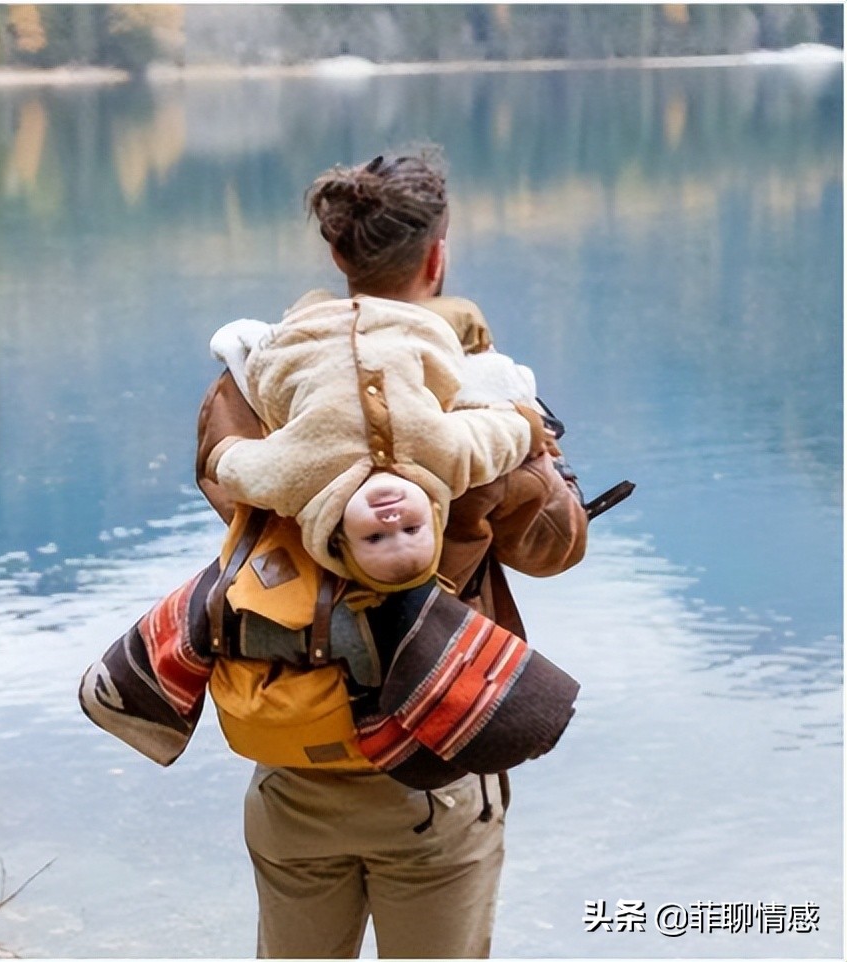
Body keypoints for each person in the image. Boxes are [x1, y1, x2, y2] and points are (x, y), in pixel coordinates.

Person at [193, 146, 589, 958]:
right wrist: (523, 458)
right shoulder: (476, 385)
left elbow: (228, 493)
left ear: (338, 255)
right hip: (432, 758)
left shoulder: (262, 376)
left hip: (292, 759)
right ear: (438, 256)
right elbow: (553, 551)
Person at [203, 292, 551, 590]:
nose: (391, 520)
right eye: (412, 528)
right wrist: (530, 426)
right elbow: (496, 436)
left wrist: (222, 455)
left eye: (374, 538)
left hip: (303, 335)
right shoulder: (449, 459)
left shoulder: (298, 481)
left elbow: (241, 469)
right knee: (462, 315)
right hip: (406, 328)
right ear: (433, 515)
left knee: (311, 301)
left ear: (337, 536)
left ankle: (317, 301)